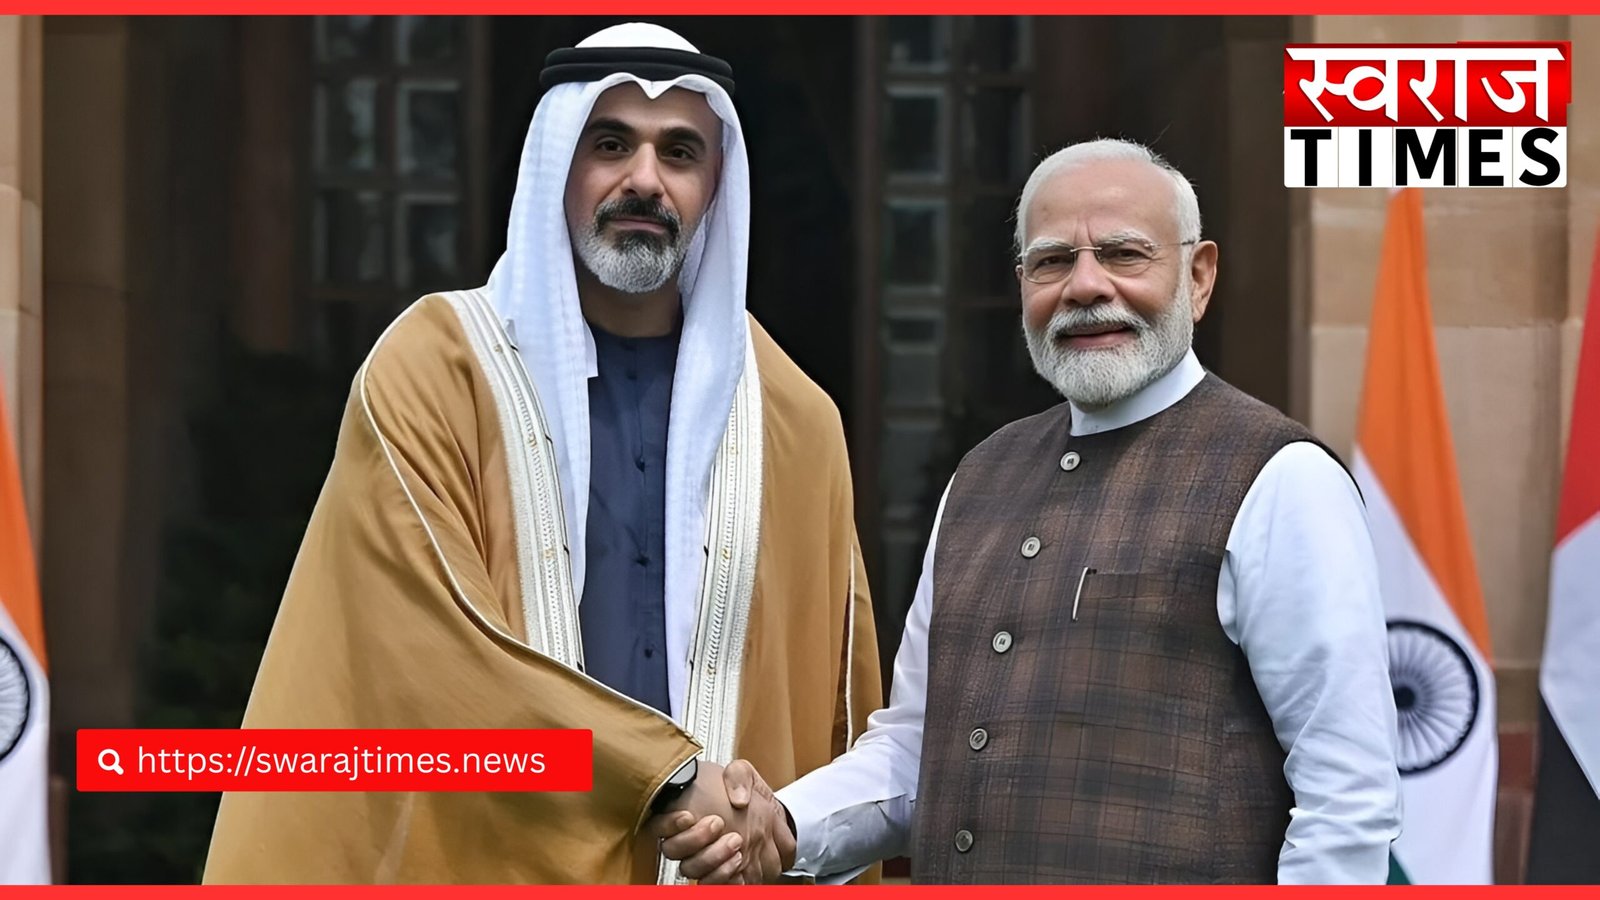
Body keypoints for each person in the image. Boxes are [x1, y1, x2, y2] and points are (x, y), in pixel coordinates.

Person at [203, 22, 882, 885]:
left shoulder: (795, 420)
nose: (645, 180)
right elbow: (435, 650)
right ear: (558, 161)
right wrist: (662, 777)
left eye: (679, 152)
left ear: (715, 183)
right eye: (611, 144)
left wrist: (772, 823)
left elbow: (834, 712)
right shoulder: (435, 371)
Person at [652, 138, 1403, 884]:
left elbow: (1345, 800)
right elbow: (917, 750)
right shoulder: (981, 477)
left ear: (1198, 277)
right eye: (1052, 261)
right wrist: (782, 823)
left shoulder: (1280, 479)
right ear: (1023, 285)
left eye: (1124, 254)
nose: (1085, 286)